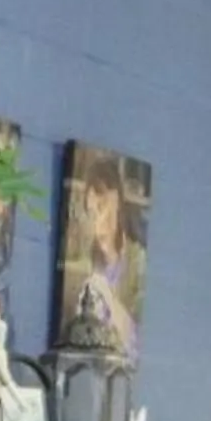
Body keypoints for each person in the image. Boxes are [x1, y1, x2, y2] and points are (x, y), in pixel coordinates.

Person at [66, 151, 145, 360]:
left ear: (117, 201)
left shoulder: (138, 261)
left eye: (101, 207)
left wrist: (106, 293)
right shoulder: (84, 263)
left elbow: (135, 340)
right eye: (90, 212)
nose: (97, 220)